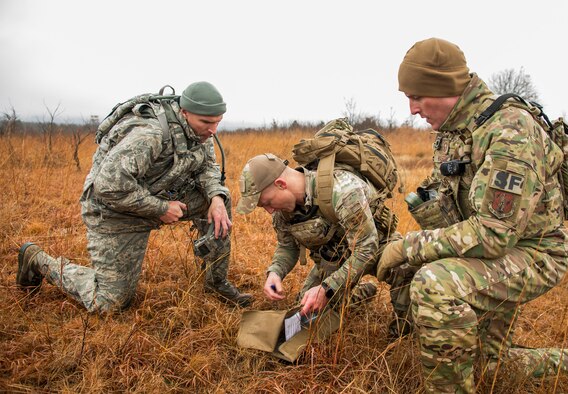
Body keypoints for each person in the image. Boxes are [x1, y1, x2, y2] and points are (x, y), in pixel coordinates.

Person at [377, 37, 568, 392]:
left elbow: (494, 234)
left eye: (416, 97)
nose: (412, 109)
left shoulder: (511, 132)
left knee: (436, 284)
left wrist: (408, 248)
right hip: (495, 251)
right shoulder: (456, 130)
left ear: (442, 88)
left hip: (534, 252)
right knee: (492, 363)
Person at [16, 81, 252, 312]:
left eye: (217, 122)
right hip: (116, 210)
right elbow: (108, 187)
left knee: (219, 201)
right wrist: (160, 208)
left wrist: (216, 197)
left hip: (160, 197)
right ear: (184, 111)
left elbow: (207, 167)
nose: (213, 130)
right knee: (109, 302)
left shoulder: (202, 133)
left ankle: (215, 281)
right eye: (206, 122)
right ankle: (36, 260)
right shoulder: (149, 133)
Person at [235, 152, 400, 318]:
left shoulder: (343, 191)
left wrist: (327, 288)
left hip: (377, 245)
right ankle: (358, 293)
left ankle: (401, 330)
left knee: (405, 269)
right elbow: (287, 246)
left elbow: (366, 248)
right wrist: (275, 273)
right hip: (335, 259)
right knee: (305, 314)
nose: (269, 210)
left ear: (280, 184)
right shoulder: (282, 212)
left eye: (268, 202)